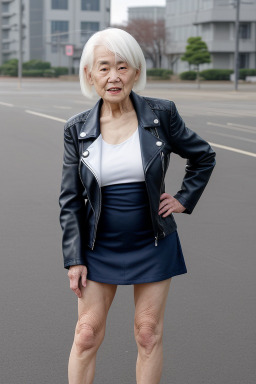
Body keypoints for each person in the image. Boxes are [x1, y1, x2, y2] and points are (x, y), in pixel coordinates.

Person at [59, 28, 216, 384]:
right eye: (103, 68)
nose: (113, 76)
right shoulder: (76, 129)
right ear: (89, 74)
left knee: (148, 332)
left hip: (153, 240)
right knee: (86, 333)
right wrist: (74, 257)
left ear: (135, 71)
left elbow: (203, 156)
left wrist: (183, 198)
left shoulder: (161, 114)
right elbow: (70, 199)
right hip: (98, 245)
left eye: (122, 67)